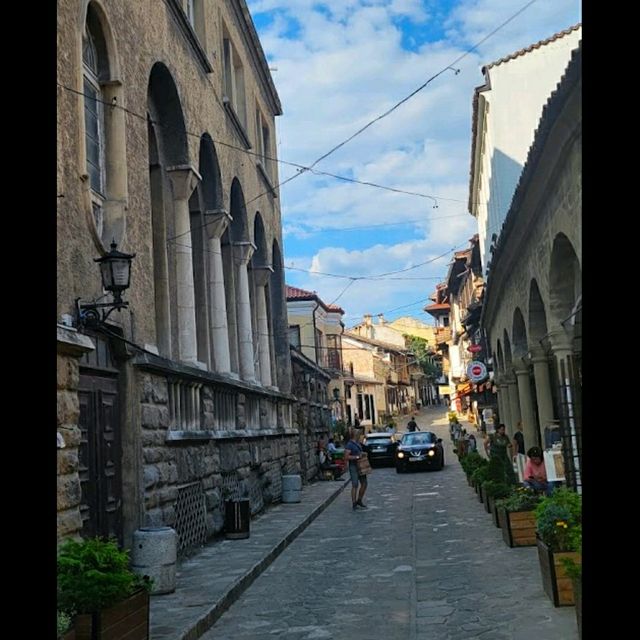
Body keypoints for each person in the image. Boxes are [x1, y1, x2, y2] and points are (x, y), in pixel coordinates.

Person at [344, 427, 368, 510]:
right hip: (353, 466)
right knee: (355, 484)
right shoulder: (349, 444)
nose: (360, 435)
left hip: (361, 466)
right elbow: (346, 457)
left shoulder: (358, 443)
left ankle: (359, 500)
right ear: (355, 435)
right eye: (359, 434)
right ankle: (354, 503)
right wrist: (357, 457)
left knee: (364, 483)